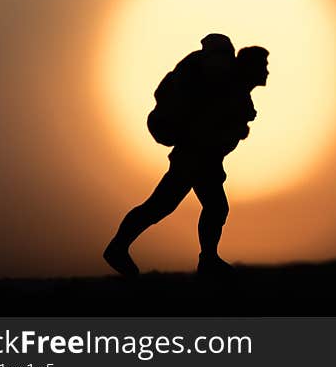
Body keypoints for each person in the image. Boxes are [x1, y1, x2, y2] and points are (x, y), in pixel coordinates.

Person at [103, 35, 269, 278]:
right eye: (263, 65)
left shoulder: (236, 90)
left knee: (169, 206)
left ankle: (206, 259)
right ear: (251, 66)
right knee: (175, 206)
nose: (267, 71)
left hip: (201, 157)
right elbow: (210, 124)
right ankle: (120, 248)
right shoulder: (228, 89)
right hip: (196, 157)